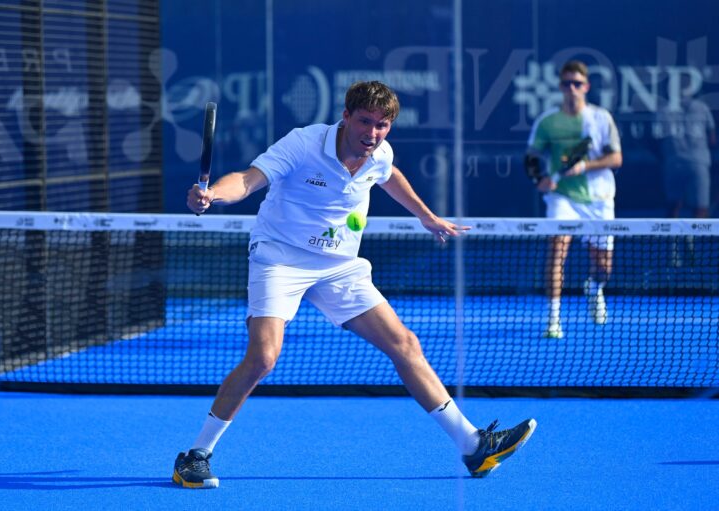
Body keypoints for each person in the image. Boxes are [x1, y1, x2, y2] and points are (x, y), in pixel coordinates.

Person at [174, 81, 536, 488]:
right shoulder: (303, 144)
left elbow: (390, 175)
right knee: (263, 357)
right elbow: (247, 179)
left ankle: (473, 445)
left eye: (382, 125)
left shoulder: (379, 153)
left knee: (405, 344)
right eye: (365, 122)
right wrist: (212, 195)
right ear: (345, 116)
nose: (372, 133)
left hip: (339, 265)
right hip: (280, 257)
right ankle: (195, 455)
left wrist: (426, 215)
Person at [525, 61, 623, 339]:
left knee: (604, 267)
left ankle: (594, 287)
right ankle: (553, 319)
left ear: (586, 87)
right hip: (562, 198)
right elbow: (532, 157)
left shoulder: (601, 118)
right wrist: (540, 179)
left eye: (577, 84)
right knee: (557, 251)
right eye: (567, 83)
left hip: (599, 198)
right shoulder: (547, 121)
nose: (572, 88)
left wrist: (584, 167)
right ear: (560, 86)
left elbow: (616, 158)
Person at [656, 87, 716, 267]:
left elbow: (657, 139)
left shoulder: (664, 110)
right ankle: (691, 242)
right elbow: (712, 139)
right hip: (695, 163)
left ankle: (677, 248)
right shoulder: (702, 108)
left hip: (674, 162)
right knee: (700, 207)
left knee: (676, 206)